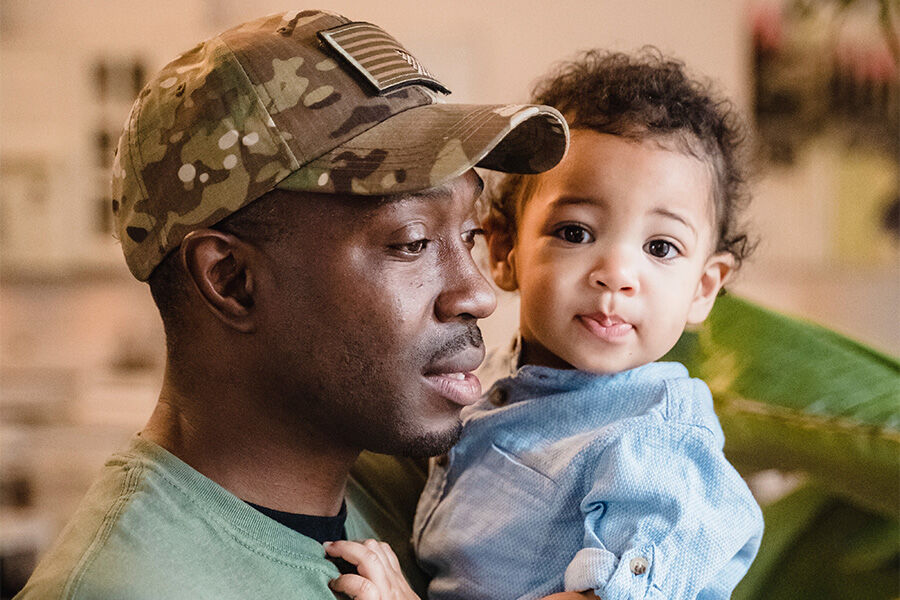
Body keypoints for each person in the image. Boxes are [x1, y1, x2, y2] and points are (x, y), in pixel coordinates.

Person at [14, 9, 568, 600]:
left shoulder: (432, 493)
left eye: (469, 236)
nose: (479, 294)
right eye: (412, 243)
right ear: (232, 280)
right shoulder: (128, 588)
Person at [326, 50, 765, 599]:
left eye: (660, 247)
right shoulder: (500, 395)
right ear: (505, 250)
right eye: (577, 233)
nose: (616, 275)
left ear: (705, 286)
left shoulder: (655, 439)